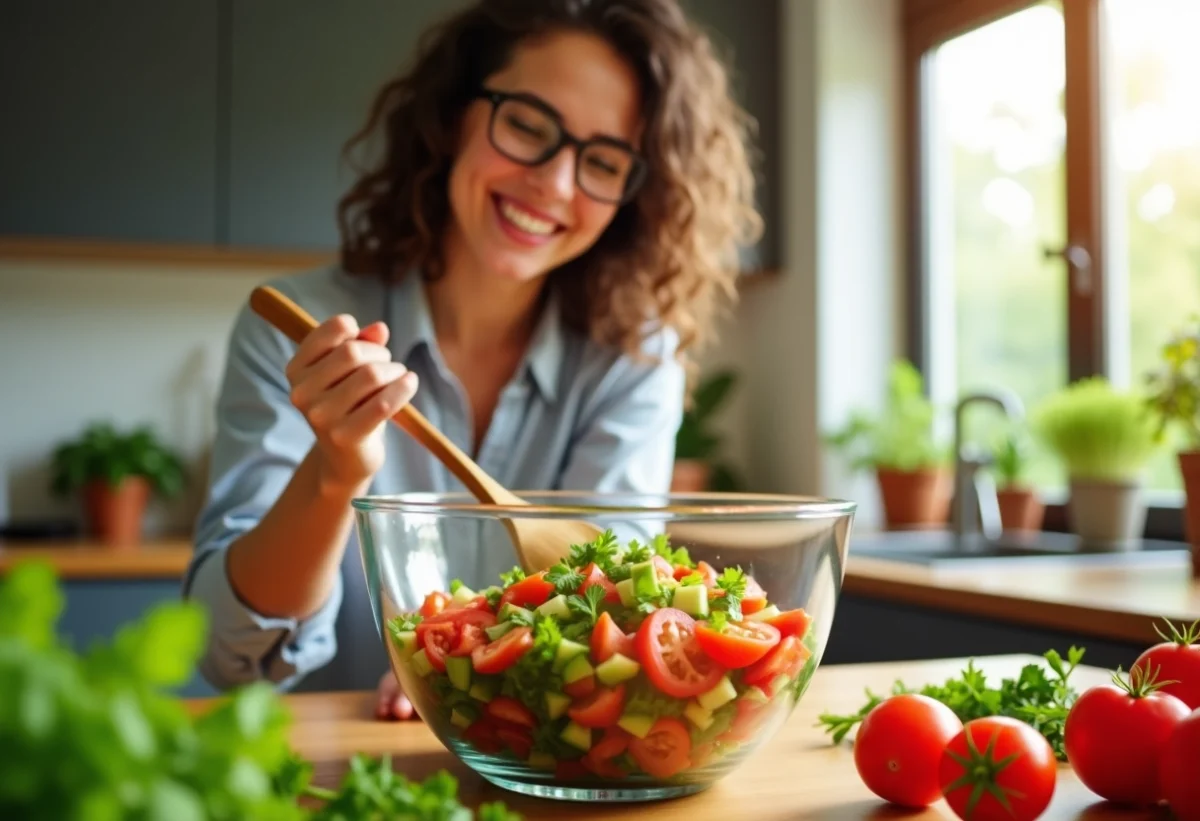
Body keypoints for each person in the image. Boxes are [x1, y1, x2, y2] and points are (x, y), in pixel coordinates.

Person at [183, 0, 760, 721]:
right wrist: (335, 477)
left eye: (604, 162)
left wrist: (465, 657)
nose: (554, 183)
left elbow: (609, 603)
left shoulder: (633, 361)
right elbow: (228, 654)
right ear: (454, 113)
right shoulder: (300, 330)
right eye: (526, 124)